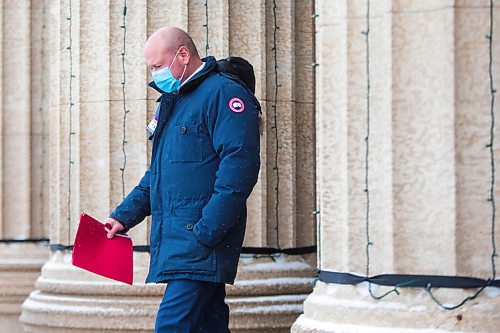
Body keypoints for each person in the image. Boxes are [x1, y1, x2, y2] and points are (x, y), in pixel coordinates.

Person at [104, 26, 261, 332]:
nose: (155, 74)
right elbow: (159, 175)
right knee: (208, 326)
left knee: (171, 326)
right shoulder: (172, 102)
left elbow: (239, 168)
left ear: (184, 54)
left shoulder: (224, 93)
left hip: (199, 242)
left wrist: (207, 231)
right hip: (187, 242)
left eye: (158, 66)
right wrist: (122, 218)